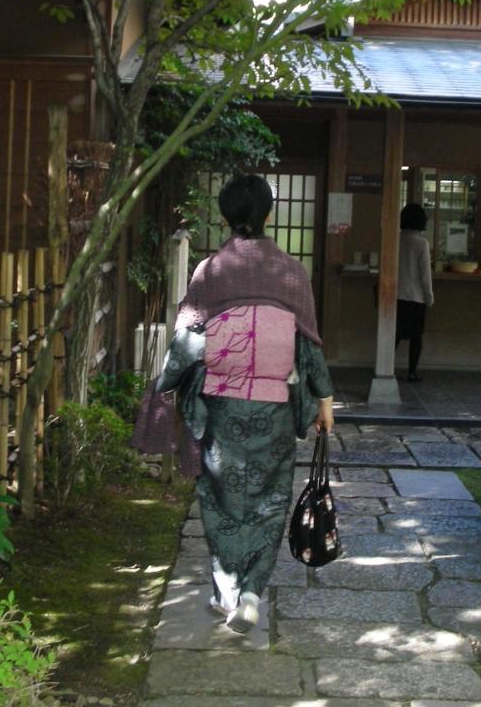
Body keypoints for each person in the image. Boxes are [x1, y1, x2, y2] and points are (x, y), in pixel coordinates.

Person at [155, 173, 334, 633]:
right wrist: (325, 400)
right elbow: (309, 344)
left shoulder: (210, 271)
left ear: (224, 217)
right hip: (275, 409)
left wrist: (166, 384)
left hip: (221, 408)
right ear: (269, 215)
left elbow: (187, 340)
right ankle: (252, 592)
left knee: (221, 501)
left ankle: (226, 592)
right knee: (270, 500)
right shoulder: (292, 272)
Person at [395, 202, 434, 382]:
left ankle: (385, 367)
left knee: (395, 335)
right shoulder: (421, 243)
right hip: (416, 297)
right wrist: (429, 297)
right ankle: (412, 371)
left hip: (395, 295)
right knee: (416, 337)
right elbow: (425, 275)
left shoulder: (395, 240)